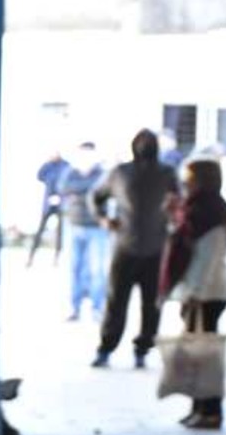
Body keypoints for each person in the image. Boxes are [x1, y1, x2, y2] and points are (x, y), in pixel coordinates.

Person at [92, 129, 180, 369]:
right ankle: (106, 348)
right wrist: (103, 220)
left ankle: (143, 348)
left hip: (156, 248)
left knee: (152, 304)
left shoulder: (167, 173)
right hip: (125, 246)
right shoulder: (120, 173)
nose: (146, 146)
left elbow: (179, 202)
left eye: (149, 142)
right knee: (116, 301)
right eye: (142, 142)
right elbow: (96, 196)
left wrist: (174, 220)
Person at [161, 159, 226, 430]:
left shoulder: (211, 211)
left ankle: (211, 411)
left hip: (206, 294)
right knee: (197, 353)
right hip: (197, 292)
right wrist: (173, 216)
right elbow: (183, 242)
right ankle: (199, 408)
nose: (185, 181)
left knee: (205, 355)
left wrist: (195, 293)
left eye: (190, 176)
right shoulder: (194, 209)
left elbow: (209, 257)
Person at [58, 142, 107, 322]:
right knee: (73, 268)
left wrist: (80, 191)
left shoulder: (102, 173)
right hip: (74, 225)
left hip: (97, 227)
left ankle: (97, 308)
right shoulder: (70, 172)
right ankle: (74, 307)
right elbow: (63, 188)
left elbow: (102, 191)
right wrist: (87, 191)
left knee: (97, 270)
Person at [29, 151, 69, 266]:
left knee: (60, 232)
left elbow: (68, 181)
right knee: (40, 230)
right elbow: (39, 175)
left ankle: (57, 258)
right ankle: (31, 256)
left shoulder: (66, 165)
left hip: (61, 203)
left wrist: (61, 197)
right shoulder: (48, 166)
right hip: (48, 203)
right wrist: (47, 162)